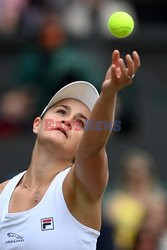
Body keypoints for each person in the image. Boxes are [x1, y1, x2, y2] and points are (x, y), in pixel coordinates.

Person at [0, 50, 140, 249]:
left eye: (81, 123)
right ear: (37, 124)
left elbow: (93, 148)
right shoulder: (2, 193)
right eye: (61, 112)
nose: (67, 121)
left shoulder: (80, 186)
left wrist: (109, 94)